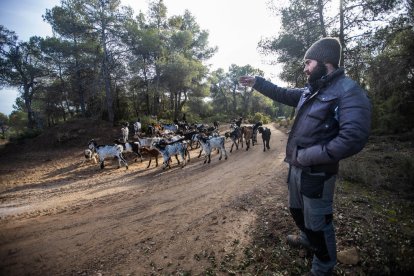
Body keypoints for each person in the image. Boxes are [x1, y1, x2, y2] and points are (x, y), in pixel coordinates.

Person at [239, 37, 371, 276]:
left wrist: (309, 156)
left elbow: (353, 138)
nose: (305, 67)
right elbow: (280, 92)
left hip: (318, 172)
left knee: (319, 224)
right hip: (297, 167)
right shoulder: (310, 91)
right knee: (296, 211)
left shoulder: (347, 91)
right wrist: (257, 82)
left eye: (308, 62)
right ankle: (306, 240)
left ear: (325, 62)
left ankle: (322, 267)